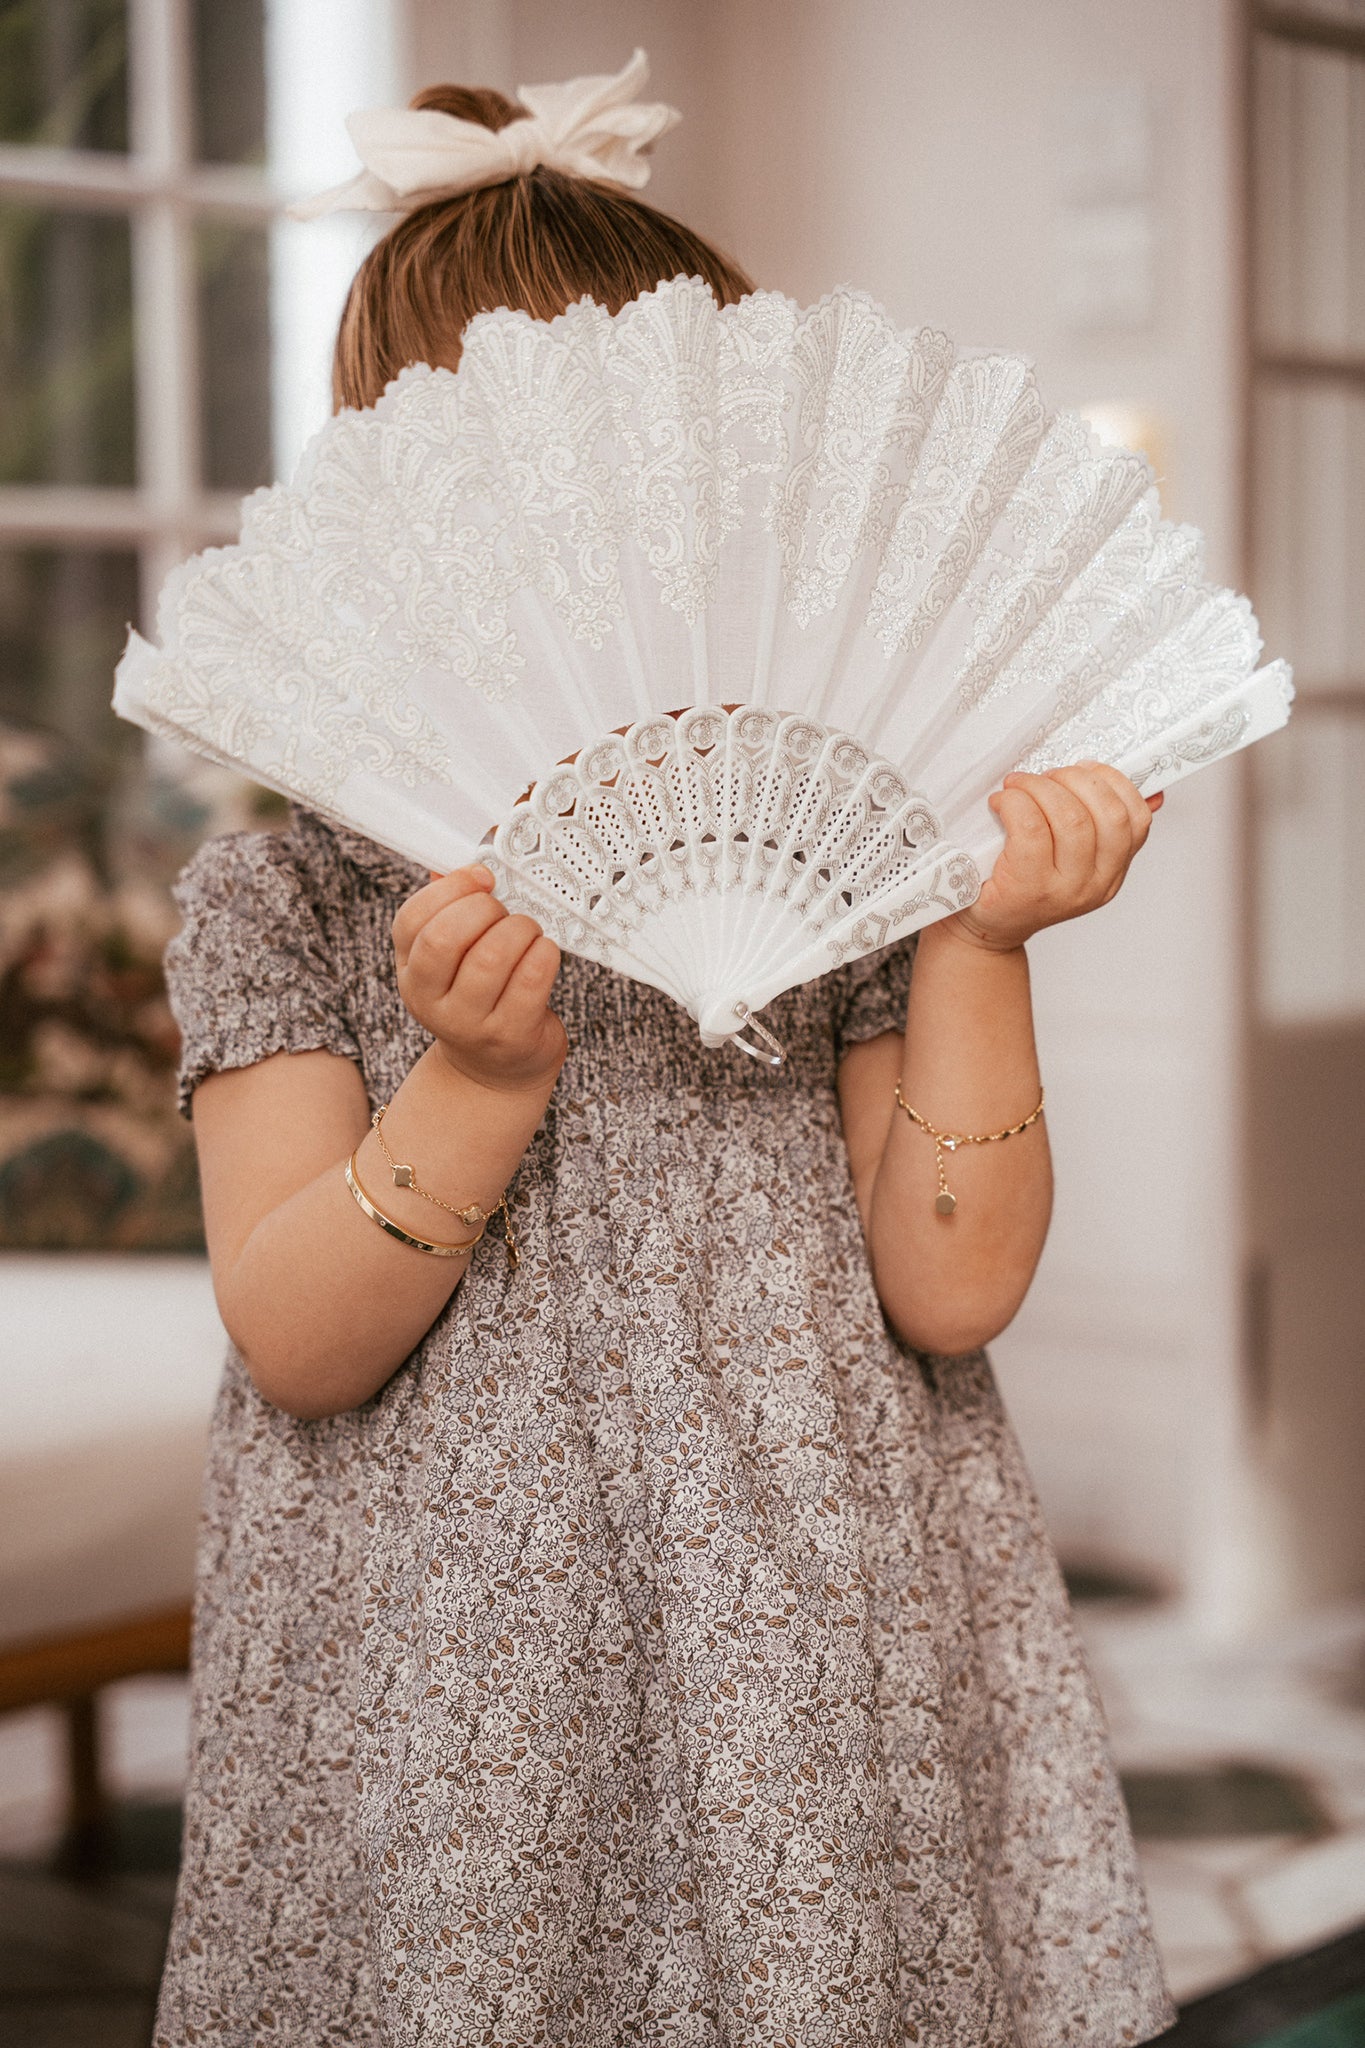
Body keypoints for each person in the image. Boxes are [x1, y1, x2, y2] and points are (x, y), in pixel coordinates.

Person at [156, 54, 1175, 2048]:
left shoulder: (859, 860)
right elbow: (295, 1339)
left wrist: (978, 935)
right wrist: (475, 1079)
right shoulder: (284, 902)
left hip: (806, 1623)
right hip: (444, 1668)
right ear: (390, 524)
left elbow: (949, 1283)